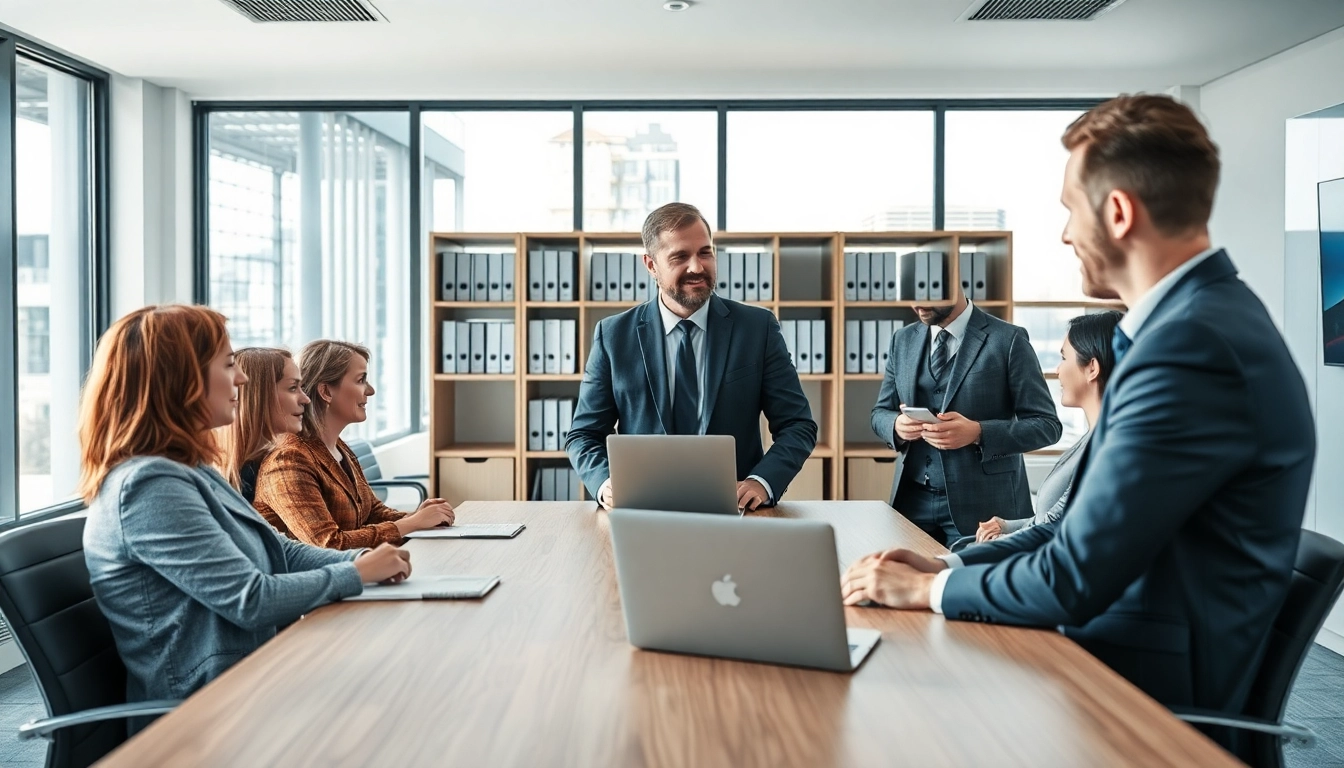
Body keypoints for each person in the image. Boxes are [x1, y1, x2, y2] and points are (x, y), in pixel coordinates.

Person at [841, 94, 1316, 754]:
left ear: (1118, 213)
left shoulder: (1191, 348)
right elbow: (1069, 527)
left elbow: (1072, 574)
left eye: (1070, 209)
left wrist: (931, 587)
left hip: (1135, 701)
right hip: (1110, 658)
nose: (1065, 234)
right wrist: (952, 561)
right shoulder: (1189, 328)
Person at [80, 305, 412, 720]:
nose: (240, 378)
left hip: (254, 670)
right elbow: (249, 599)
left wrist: (359, 559)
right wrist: (355, 573)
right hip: (206, 709)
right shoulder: (149, 488)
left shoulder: (191, 469)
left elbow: (280, 550)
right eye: (227, 365)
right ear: (180, 379)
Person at [565, 202, 817, 511]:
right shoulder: (614, 336)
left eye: (705, 253)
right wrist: (606, 484)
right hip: (642, 511)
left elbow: (797, 425)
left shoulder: (757, 329)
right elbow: (584, 435)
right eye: (680, 256)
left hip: (736, 512)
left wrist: (762, 481)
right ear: (651, 265)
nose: (697, 267)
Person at [870, 276, 1061, 547]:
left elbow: (1047, 425)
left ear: (953, 282)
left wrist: (978, 433)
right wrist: (896, 425)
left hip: (984, 509)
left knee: (969, 587)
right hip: (911, 501)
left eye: (925, 293)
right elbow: (879, 413)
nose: (917, 305)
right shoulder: (902, 340)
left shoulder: (1009, 339)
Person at [253, 340, 456, 549]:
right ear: (326, 392)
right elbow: (329, 544)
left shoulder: (338, 448)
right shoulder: (288, 461)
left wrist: (422, 517)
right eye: (361, 380)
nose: (370, 391)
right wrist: (412, 523)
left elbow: (373, 513)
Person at [964, 310, 1122, 549]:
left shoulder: (1105, 445)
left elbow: (1053, 527)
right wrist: (1007, 526)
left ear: (1092, 368)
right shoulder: (1094, 436)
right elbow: (1056, 516)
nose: (1057, 370)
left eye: (1064, 358)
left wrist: (997, 543)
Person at [217, 347, 309, 503]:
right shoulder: (269, 474)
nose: (306, 399)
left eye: (302, 388)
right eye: (293, 388)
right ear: (260, 396)